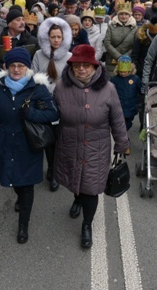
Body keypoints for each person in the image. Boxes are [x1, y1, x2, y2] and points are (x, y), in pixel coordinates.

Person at [53, 44, 130, 248]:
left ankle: (87, 224)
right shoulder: (61, 87)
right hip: (69, 145)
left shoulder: (108, 89)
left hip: (97, 148)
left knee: (91, 188)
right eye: (77, 65)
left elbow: (117, 118)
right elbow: (53, 116)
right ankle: (76, 198)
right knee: (75, 180)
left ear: (95, 67)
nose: (81, 69)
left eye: (86, 65)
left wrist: (122, 144)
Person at [0, 48, 59, 244]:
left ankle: (23, 225)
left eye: (21, 66)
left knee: (26, 186)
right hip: (6, 143)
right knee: (13, 181)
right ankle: (20, 199)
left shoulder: (38, 89)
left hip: (28, 146)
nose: (16, 70)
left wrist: (32, 114)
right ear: (6, 67)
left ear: (27, 68)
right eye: (12, 66)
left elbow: (53, 114)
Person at [31, 17, 72, 192]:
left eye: (58, 37)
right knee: (47, 139)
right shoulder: (39, 54)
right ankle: (51, 168)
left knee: (60, 139)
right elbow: (32, 77)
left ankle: (56, 171)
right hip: (44, 104)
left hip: (63, 104)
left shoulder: (69, 56)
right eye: (52, 37)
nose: (55, 40)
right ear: (47, 38)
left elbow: (71, 81)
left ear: (63, 38)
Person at [109, 55, 141, 133]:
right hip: (119, 106)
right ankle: (122, 137)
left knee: (128, 123)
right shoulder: (114, 79)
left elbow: (139, 91)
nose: (123, 74)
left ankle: (123, 135)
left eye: (125, 72)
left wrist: (138, 104)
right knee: (118, 124)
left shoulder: (135, 79)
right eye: (121, 72)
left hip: (131, 106)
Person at [104, 0, 137, 73]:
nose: (124, 16)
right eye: (121, 14)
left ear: (129, 15)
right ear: (118, 15)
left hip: (128, 60)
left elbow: (135, 45)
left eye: (126, 14)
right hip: (111, 60)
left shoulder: (135, 28)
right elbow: (107, 42)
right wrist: (118, 56)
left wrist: (125, 57)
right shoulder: (111, 25)